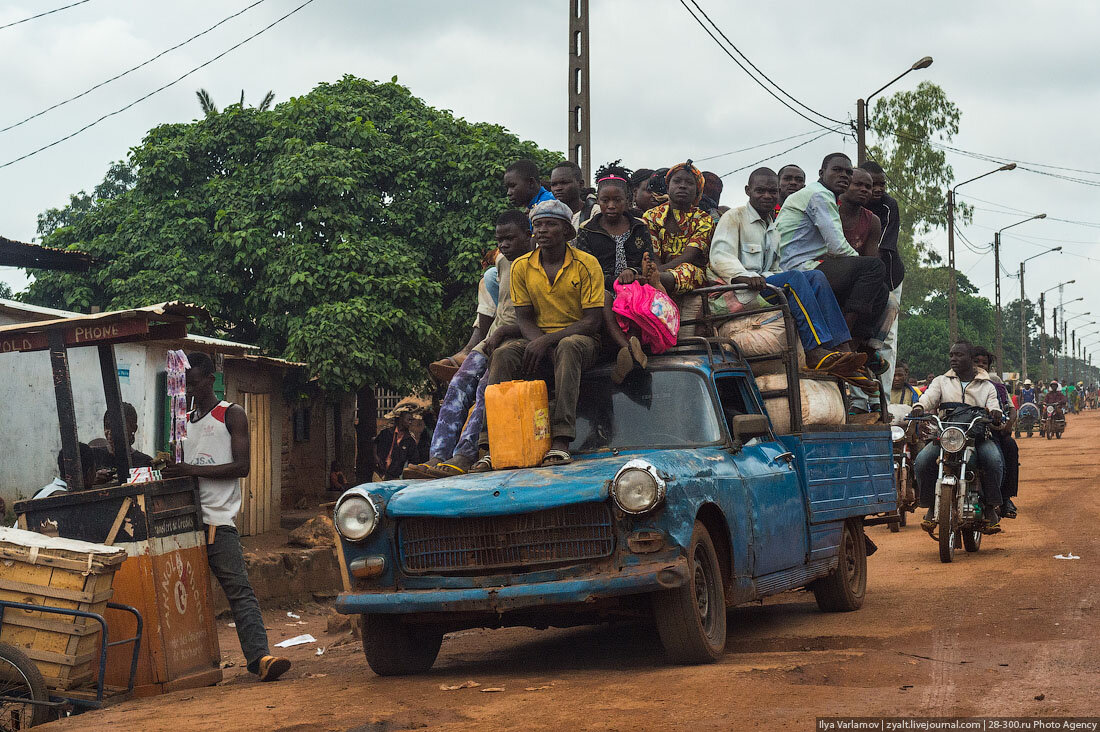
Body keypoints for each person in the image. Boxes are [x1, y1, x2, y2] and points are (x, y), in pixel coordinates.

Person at [161, 351, 290, 682]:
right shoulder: (183, 421)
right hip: (185, 522)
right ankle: (184, 666)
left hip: (218, 521)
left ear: (209, 379)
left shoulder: (231, 414)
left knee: (239, 590)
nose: (188, 389)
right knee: (181, 595)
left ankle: (260, 657)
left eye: (193, 382)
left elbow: (242, 466)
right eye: (184, 383)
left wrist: (190, 470)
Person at [706, 167, 869, 380]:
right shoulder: (734, 217)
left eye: (772, 192)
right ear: (748, 191)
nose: (767, 196)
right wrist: (743, 276)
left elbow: (775, 269)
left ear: (778, 193)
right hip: (734, 292)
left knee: (816, 277)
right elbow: (720, 256)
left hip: (762, 288)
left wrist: (769, 279)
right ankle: (814, 351)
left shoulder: (772, 229)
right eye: (760, 191)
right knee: (795, 278)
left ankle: (841, 347)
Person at [476, 199, 603, 470]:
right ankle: (490, 445)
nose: (542, 230)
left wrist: (547, 341)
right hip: (538, 336)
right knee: (504, 354)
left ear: (568, 231)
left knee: (568, 347)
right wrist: (541, 341)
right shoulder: (522, 266)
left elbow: (592, 321)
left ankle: (561, 440)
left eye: (550, 224)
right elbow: (524, 318)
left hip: (581, 339)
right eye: (538, 225)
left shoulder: (587, 264)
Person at [404, 210, 533, 478]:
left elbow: (543, 318)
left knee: (486, 389)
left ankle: (465, 453)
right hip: (493, 336)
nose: (504, 245)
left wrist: (503, 334)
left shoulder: (538, 264)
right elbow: (499, 308)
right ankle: (437, 455)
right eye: (500, 241)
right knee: (459, 384)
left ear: (528, 236)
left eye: (511, 239)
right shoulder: (503, 263)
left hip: (517, 339)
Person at [776, 153, 889, 365]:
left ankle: (855, 345)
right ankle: (841, 341)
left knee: (880, 289)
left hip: (809, 264)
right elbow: (837, 246)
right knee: (874, 268)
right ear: (821, 173)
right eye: (837, 170)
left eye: (848, 172)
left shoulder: (826, 197)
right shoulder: (819, 195)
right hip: (796, 267)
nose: (844, 176)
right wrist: (861, 267)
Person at [909, 341, 1004, 532]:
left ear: (971, 359)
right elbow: (928, 398)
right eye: (951, 355)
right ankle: (930, 506)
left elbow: (994, 404)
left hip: (976, 436)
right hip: (946, 435)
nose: (953, 359)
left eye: (959, 355)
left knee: (994, 460)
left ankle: (989, 507)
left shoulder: (987, 385)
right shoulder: (941, 381)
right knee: (921, 461)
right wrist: (919, 407)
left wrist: (995, 412)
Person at [574, 175, 656, 382]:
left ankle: (640, 346)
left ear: (627, 200)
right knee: (604, 298)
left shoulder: (640, 227)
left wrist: (633, 272)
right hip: (601, 285)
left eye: (617, 200)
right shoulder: (587, 229)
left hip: (635, 284)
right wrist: (615, 281)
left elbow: (648, 259)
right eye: (605, 200)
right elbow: (585, 268)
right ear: (598, 201)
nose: (611, 205)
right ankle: (627, 347)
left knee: (642, 298)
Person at [642, 161, 713, 295]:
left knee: (688, 269)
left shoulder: (704, 219)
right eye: (677, 181)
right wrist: (654, 269)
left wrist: (658, 273)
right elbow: (653, 253)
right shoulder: (651, 216)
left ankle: (657, 281)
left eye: (689, 183)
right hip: (658, 268)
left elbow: (689, 256)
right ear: (668, 188)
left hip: (690, 273)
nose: (682, 186)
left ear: (698, 191)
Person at [973, 347, 1020, 520]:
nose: (980, 365)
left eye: (984, 363)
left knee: (1009, 448)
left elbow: (1010, 407)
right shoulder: (957, 380)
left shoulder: (994, 381)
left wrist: (1007, 424)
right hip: (966, 432)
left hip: (993, 431)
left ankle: (1004, 498)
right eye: (976, 362)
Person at [375, 403, 428, 480]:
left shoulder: (410, 440)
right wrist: (376, 457)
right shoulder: (386, 433)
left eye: (411, 420)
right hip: (379, 473)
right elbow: (375, 443)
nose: (410, 422)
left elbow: (414, 460)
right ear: (400, 419)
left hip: (394, 476)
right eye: (408, 420)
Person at [838, 169, 882, 255]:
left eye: (868, 187)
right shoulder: (825, 210)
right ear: (845, 184)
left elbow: (870, 261)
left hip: (853, 266)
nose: (864, 190)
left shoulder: (872, 222)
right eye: (858, 184)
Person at [100, 402, 154, 472]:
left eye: (118, 427)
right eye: (107, 426)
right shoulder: (94, 457)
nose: (110, 433)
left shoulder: (145, 463)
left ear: (134, 428)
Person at [551, 161, 598, 230]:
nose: (558, 188)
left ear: (581, 184)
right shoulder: (549, 215)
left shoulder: (595, 213)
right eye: (554, 184)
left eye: (564, 183)